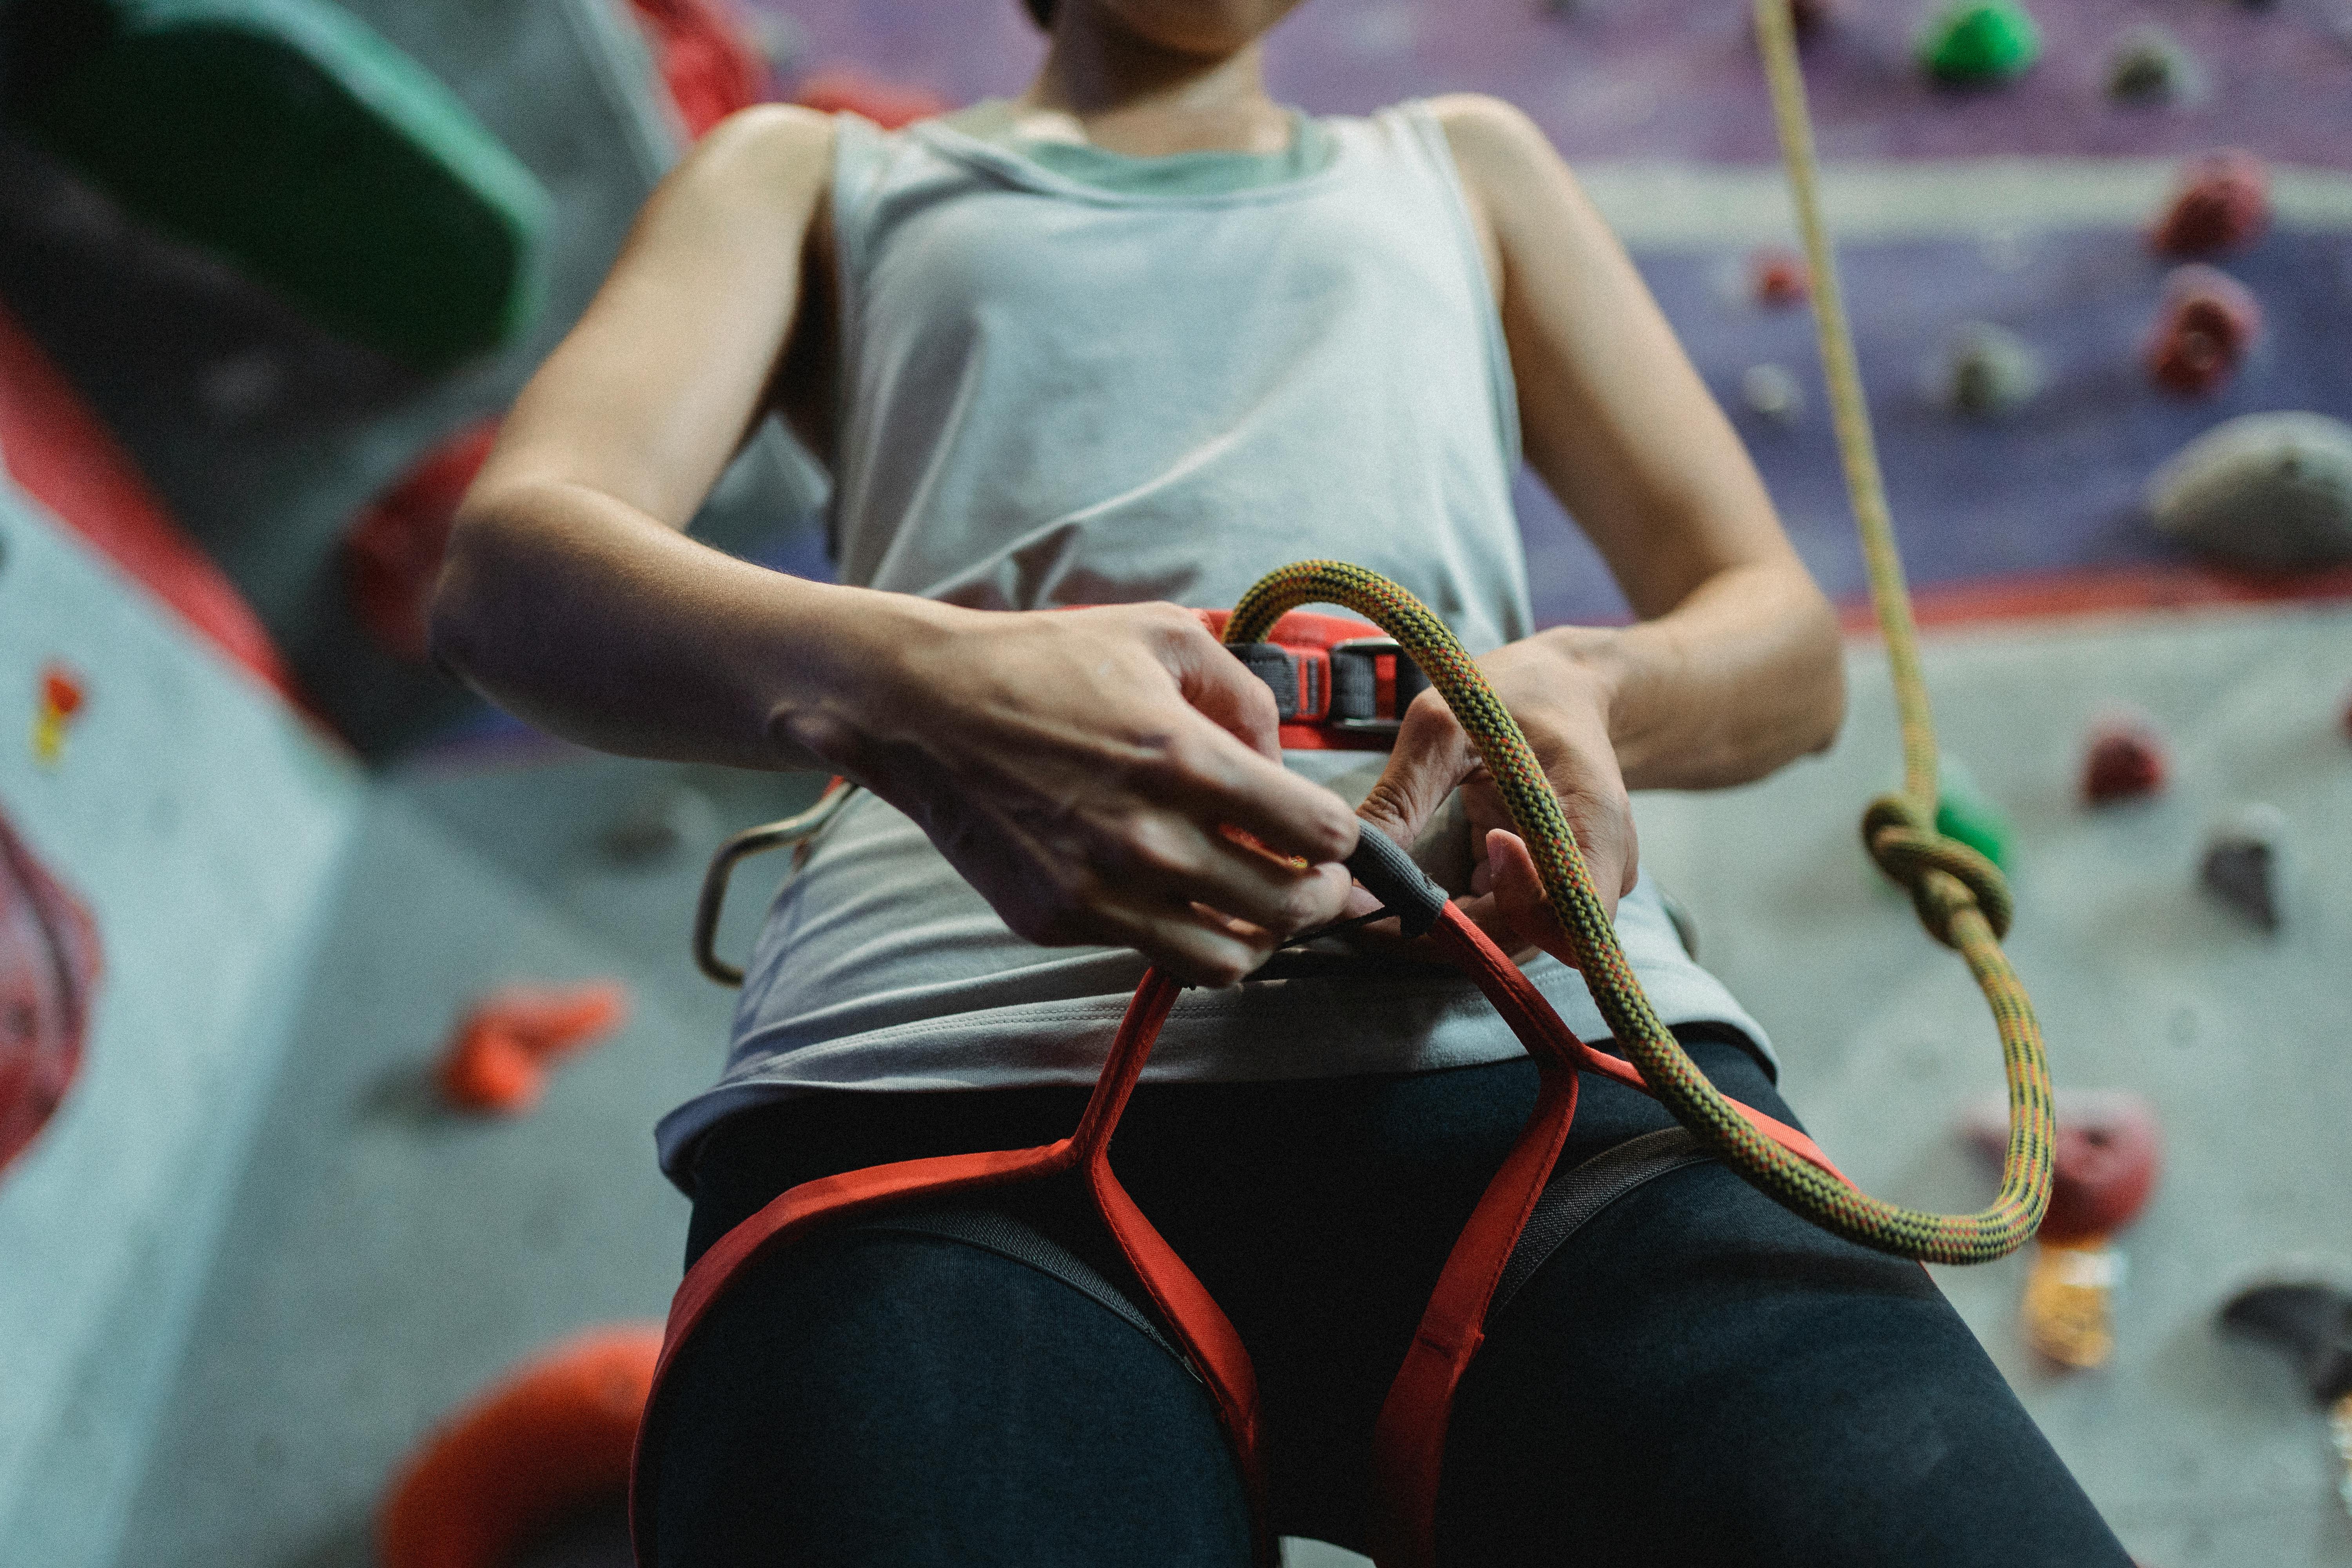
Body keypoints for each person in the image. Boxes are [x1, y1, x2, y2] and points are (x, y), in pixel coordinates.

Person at [432, 1, 2135, 1563]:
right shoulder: (816, 179)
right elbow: (512, 572)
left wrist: (1589, 685)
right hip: (944, 1081)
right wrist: (916, 684)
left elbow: (1783, 650)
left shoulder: (1463, 168)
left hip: (1551, 1057)